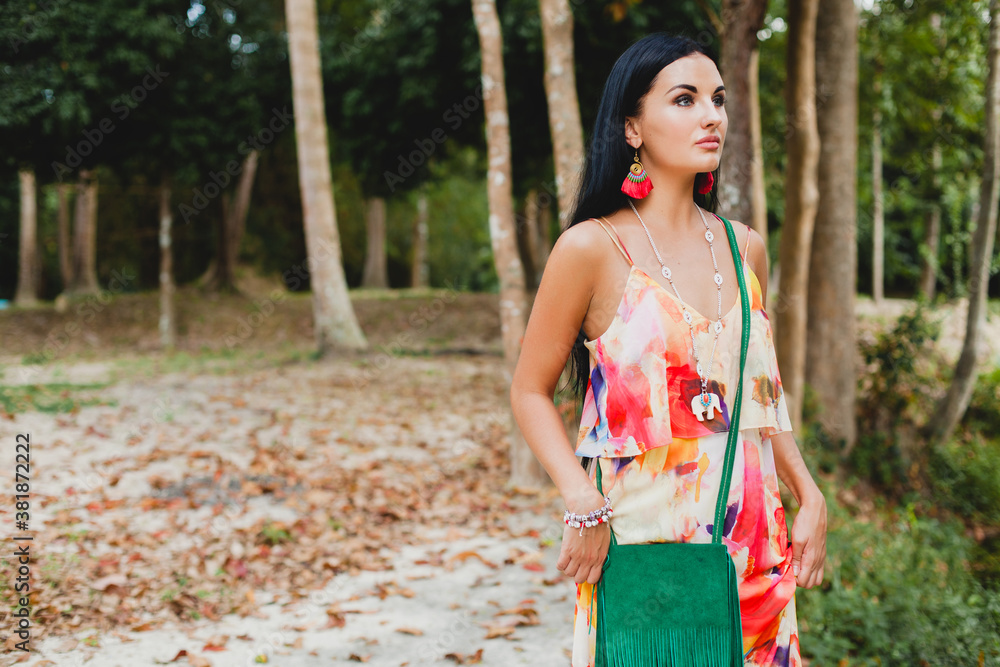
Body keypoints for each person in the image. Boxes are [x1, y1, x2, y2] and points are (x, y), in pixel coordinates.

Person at [509, 33, 828, 666]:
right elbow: (528, 390)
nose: (712, 115)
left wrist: (808, 490)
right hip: (644, 541)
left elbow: (761, 396)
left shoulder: (746, 249)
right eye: (684, 100)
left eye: (718, 98)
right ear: (632, 128)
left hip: (753, 536)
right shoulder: (591, 249)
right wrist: (579, 498)